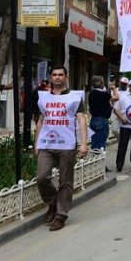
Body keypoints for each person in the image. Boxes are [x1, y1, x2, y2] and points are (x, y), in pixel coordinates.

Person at [33, 65, 88, 232]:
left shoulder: (74, 97)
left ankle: (60, 215)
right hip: (47, 144)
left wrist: (83, 143)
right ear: (50, 77)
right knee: (42, 178)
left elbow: (81, 120)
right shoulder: (43, 97)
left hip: (67, 144)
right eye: (54, 75)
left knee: (65, 181)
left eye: (60, 75)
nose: (57, 77)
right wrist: (37, 143)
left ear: (66, 77)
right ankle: (53, 202)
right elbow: (41, 121)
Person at [88, 75, 118, 151]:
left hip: (93, 120)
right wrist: (114, 88)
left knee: (94, 144)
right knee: (101, 145)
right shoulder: (105, 94)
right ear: (102, 83)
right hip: (102, 120)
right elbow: (116, 97)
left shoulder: (91, 94)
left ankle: (94, 156)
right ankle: (100, 157)